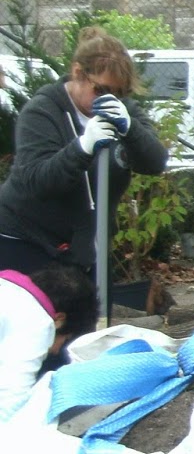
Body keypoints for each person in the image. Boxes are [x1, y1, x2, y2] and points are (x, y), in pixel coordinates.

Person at [0, 29, 167, 278]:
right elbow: (37, 182)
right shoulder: (42, 111)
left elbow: (155, 162)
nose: (110, 99)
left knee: (94, 304)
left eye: (120, 93)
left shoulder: (122, 110)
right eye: (102, 89)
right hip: (27, 240)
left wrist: (130, 128)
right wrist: (82, 148)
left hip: (85, 246)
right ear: (78, 73)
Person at [0, 262, 97, 420]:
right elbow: (12, 398)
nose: (56, 351)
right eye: (64, 340)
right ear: (59, 320)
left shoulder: (6, 287)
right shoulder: (36, 318)